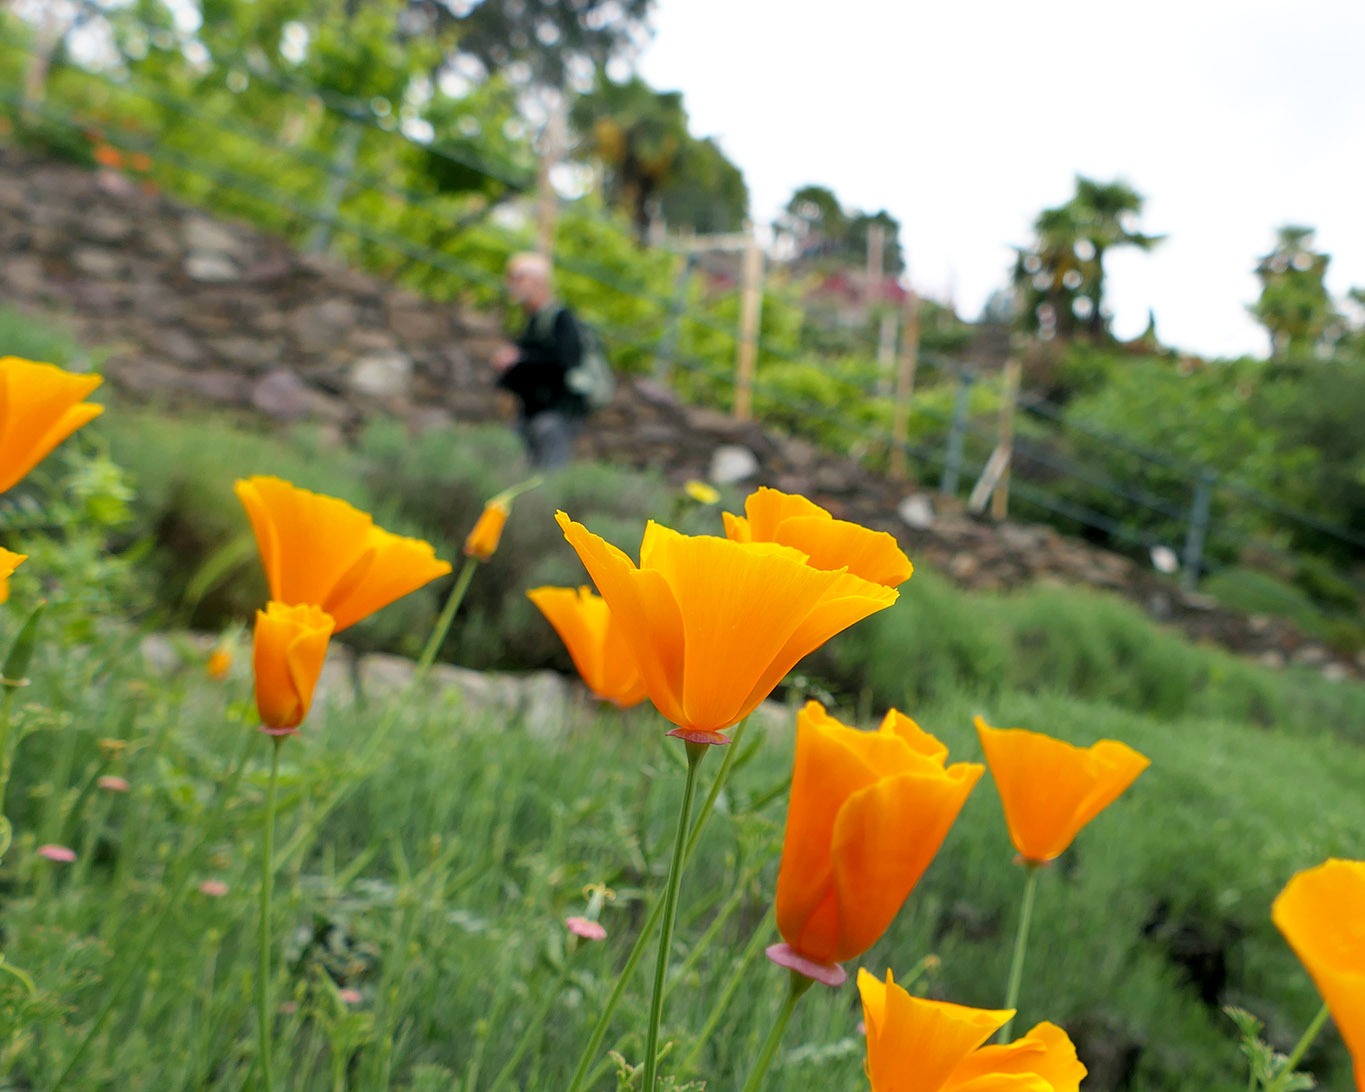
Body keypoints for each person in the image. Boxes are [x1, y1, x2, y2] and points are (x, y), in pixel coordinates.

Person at [492, 252, 586, 470]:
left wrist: (519, 360)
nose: (511, 284)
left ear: (537, 281)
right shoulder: (532, 320)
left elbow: (565, 361)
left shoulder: (561, 318)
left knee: (548, 476)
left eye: (518, 278)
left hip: (555, 415)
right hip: (530, 415)